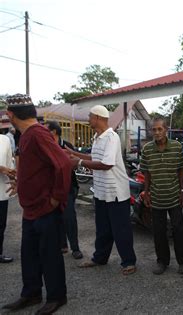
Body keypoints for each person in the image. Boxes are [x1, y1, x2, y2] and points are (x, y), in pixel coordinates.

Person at [2, 94, 71, 314]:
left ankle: (56, 297)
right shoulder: (26, 135)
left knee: (49, 254)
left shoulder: (38, 134)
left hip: (45, 209)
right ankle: (31, 293)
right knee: (29, 254)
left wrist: (55, 198)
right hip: (30, 209)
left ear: (10, 115)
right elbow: (36, 168)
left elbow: (63, 165)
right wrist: (21, 183)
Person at [68, 105, 137, 276]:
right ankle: (100, 258)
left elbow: (106, 164)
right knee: (103, 228)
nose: (89, 119)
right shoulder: (97, 137)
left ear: (98, 118)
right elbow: (95, 158)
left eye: (90, 116)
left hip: (115, 193)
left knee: (120, 230)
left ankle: (129, 261)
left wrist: (77, 163)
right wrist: (72, 153)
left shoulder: (111, 137)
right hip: (100, 191)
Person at [140, 118, 183, 275]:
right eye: (154, 130)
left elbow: (181, 169)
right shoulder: (147, 149)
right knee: (159, 232)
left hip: (174, 197)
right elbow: (146, 173)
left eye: (160, 129)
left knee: (179, 230)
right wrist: (146, 193)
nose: (157, 132)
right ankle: (162, 261)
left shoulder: (176, 147)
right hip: (156, 198)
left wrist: (182, 191)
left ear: (166, 129)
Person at [45, 121, 83, 260]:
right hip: (51, 188)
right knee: (55, 216)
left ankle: (75, 248)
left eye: (46, 129)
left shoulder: (67, 146)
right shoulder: (46, 147)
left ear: (54, 131)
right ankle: (62, 245)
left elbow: (74, 166)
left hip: (68, 187)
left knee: (69, 217)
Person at [0, 133, 15, 263]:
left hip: (1, 191)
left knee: (1, 225)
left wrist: (13, 175)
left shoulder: (5, 140)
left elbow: (10, 162)